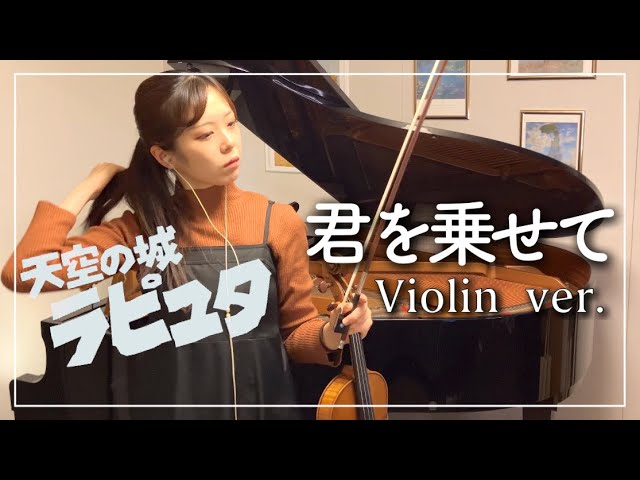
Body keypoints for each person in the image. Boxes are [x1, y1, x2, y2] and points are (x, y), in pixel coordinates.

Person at [1, 73, 373, 420]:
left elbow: (295, 333)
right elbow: (23, 271)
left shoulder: (278, 221)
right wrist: (92, 184)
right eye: (205, 135)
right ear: (164, 155)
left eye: (231, 123)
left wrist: (332, 331)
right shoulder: (140, 232)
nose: (228, 141)